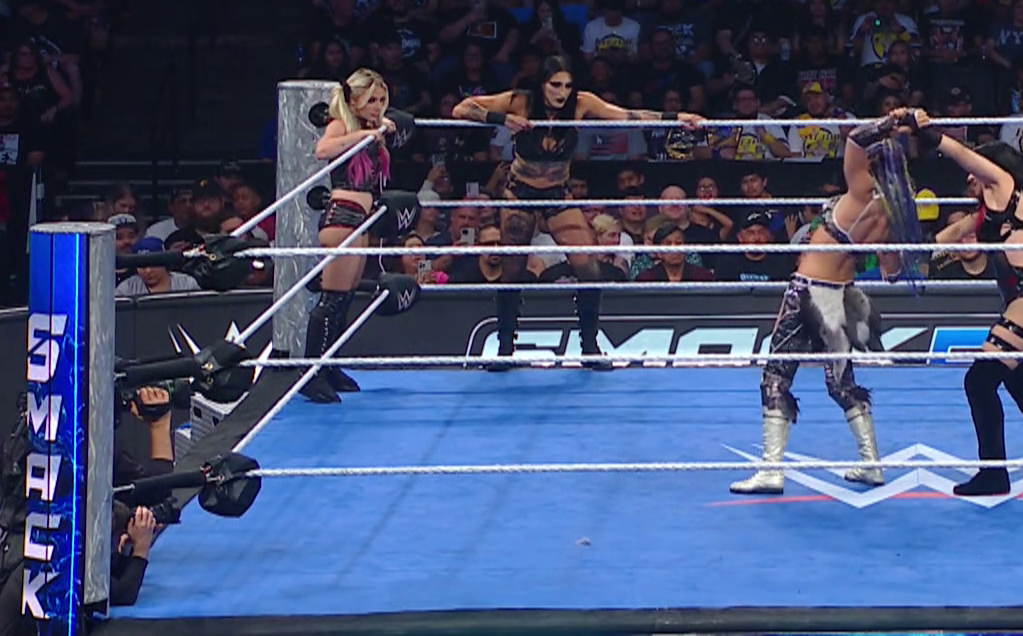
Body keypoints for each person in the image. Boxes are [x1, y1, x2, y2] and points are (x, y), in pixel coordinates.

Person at [452, 55, 702, 369]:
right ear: (542, 83)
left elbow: (627, 115)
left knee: (589, 268)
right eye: (555, 85)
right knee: (512, 271)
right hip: (520, 192)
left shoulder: (582, 103)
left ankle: (589, 347)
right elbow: (461, 109)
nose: (562, 92)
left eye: (567, 85)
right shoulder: (520, 101)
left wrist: (676, 118)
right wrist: (502, 120)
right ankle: (504, 349)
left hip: (558, 193)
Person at [730, 108, 921, 495]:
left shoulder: (860, 191)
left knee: (776, 377)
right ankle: (871, 463)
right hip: (843, 296)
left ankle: (771, 470)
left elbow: (854, 138)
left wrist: (891, 119)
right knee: (841, 382)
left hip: (808, 291)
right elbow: (892, 271)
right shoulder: (897, 211)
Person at [917, 112, 1023, 496]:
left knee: (979, 381)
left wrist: (930, 134)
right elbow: (948, 237)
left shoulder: (1006, 187)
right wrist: (908, 254)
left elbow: (967, 159)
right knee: (1019, 379)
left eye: (977, 172)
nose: (970, 179)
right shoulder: (992, 212)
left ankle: (994, 474)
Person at [305, 69, 411, 402]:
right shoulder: (342, 124)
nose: (377, 106)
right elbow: (323, 150)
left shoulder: (372, 127)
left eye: (381, 100)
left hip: (363, 218)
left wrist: (377, 131)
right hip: (343, 215)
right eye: (371, 100)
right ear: (354, 101)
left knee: (345, 298)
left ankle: (331, 366)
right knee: (332, 298)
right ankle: (312, 373)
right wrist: (365, 135)